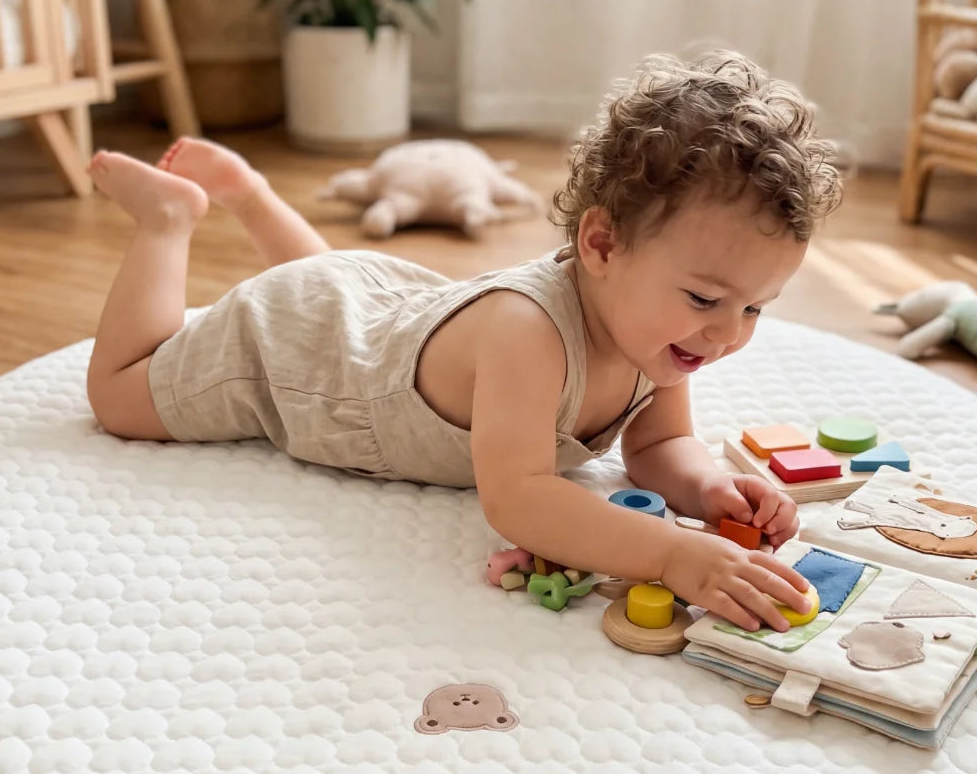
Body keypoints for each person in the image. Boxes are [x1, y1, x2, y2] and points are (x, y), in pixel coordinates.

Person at [86, 50, 841, 633]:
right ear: (603, 244)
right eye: (708, 298)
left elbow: (656, 449)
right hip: (301, 356)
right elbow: (519, 498)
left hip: (378, 314)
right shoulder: (529, 333)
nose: (726, 333)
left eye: (755, 310)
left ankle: (250, 197)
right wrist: (673, 553)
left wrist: (710, 491)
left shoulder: (664, 335)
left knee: (336, 290)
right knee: (120, 394)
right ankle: (168, 221)